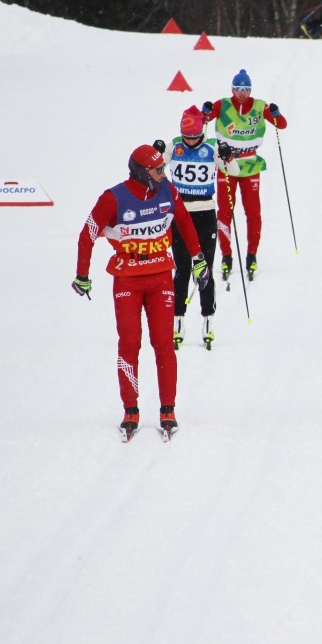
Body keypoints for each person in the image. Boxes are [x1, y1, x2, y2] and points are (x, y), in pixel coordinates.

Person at [71, 145, 212, 439]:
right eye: (157, 169)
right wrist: (82, 275)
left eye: (163, 168)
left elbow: (184, 223)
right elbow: (88, 234)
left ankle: (167, 409)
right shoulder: (113, 198)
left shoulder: (168, 191)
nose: (163, 173)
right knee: (129, 343)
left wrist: (198, 259)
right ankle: (130, 410)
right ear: (140, 171)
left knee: (163, 343)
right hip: (128, 281)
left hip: (161, 277)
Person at [152, 106, 228, 350]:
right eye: (187, 137)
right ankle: (178, 319)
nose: (191, 142)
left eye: (195, 137)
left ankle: (208, 319)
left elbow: (231, 170)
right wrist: (156, 154)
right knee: (182, 268)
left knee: (204, 268)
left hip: (205, 213)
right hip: (180, 213)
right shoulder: (175, 145)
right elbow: (154, 171)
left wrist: (227, 156)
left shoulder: (211, 147)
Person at [202, 69, 288, 282]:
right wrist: (205, 111)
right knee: (225, 211)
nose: (242, 93)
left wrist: (276, 114)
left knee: (253, 211)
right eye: (238, 89)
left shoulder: (259, 106)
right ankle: (227, 256)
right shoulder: (223, 104)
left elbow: (282, 125)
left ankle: (251, 255)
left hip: (250, 163)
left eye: (246, 89)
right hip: (226, 163)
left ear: (251, 90)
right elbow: (202, 120)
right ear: (232, 89)